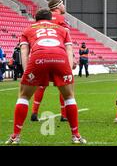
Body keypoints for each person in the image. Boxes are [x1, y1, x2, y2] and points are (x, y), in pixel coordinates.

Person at [5, 8, 86, 145]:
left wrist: (26, 72)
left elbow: (24, 51)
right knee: (69, 97)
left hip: (38, 58)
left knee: (24, 96)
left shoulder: (28, 30)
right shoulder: (62, 30)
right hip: (60, 59)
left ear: (36, 19)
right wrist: (68, 70)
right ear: (50, 19)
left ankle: (15, 136)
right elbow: (69, 49)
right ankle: (76, 136)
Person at [31, 0, 72, 122]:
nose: (64, 6)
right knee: (63, 84)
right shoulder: (61, 19)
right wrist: (72, 57)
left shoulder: (43, 19)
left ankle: (34, 112)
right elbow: (66, 38)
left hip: (40, 54)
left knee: (41, 85)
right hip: (58, 54)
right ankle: (64, 115)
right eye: (63, 4)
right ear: (58, 6)